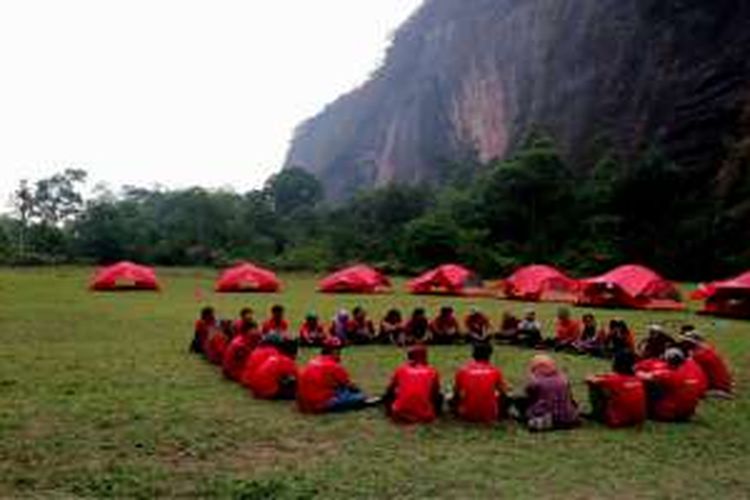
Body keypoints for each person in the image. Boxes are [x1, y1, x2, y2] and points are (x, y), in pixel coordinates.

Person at [296, 338, 370, 413]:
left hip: (303, 404)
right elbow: (351, 386)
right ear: (334, 351)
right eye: (338, 350)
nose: (340, 353)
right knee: (359, 397)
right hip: (319, 405)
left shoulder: (312, 361)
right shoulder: (334, 366)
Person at [516, 354, 579, 431]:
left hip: (547, 418)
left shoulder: (536, 382)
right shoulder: (564, 379)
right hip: (569, 419)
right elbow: (571, 398)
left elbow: (528, 395)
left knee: (519, 401)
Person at [638, 348, 702, 422]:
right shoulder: (690, 371)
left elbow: (643, 376)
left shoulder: (668, 375)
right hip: (687, 413)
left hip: (671, 413)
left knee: (649, 386)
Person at [585, 351, 647, 428]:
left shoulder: (613, 380)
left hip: (618, 420)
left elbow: (589, 379)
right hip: (637, 419)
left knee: (595, 387)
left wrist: (600, 376)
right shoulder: (637, 379)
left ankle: (596, 414)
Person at [383, 345, 443, 424]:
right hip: (424, 415)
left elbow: (389, 390)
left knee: (391, 393)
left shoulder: (401, 369)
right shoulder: (432, 371)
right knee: (440, 396)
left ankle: (391, 411)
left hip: (398, 413)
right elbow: (435, 394)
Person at [451, 342, 507, 423]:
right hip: (490, 414)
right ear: (489, 355)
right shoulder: (495, 371)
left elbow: (455, 394)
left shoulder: (462, 371)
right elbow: (504, 393)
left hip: (466, 414)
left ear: (473, 355)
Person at [679, 330, 733, 397]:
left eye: (685, 342)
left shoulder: (698, 355)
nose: (683, 343)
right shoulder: (706, 349)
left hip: (717, 387)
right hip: (723, 384)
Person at [222, 315, 262, 381]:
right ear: (249, 330)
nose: (257, 332)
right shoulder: (241, 344)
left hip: (231, 369)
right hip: (235, 371)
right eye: (255, 329)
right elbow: (249, 360)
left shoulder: (241, 338)